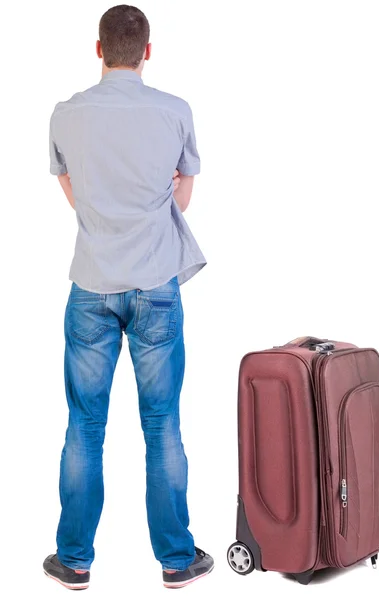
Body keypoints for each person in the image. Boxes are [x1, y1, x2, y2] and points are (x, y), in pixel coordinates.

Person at [43, 4, 213, 590]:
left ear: (98, 50)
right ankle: (175, 559)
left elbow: (74, 196)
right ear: (148, 51)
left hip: (91, 286)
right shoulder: (175, 112)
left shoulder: (66, 115)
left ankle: (74, 559)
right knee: (162, 424)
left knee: (84, 425)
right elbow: (181, 201)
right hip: (156, 288)